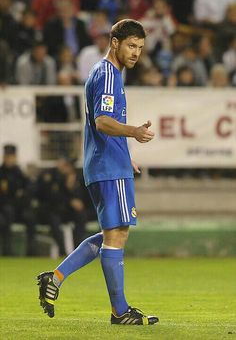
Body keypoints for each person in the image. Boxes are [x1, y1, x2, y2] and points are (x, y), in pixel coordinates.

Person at [37, 19, 158, 326]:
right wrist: (133, 133)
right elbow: (103, 121)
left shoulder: (107, 74)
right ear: (114, 42)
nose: (136, 53)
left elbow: (104, 123)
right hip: (107, 165)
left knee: (112, 233)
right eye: (131, 45)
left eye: (140, 48)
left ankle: (56, 276)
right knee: (118, 234)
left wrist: (125, 153)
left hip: (107, 162)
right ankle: (120, 312)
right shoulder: (107, 74)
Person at [0, 144, 36, 255]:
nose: (10, 159)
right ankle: (7, 250)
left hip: (19, 208)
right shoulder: (1, 172)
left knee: (30, 217)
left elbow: (29, 188)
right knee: (7, 215)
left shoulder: (19, 172)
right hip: (4, 208)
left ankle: (31, 251)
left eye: (12, 156)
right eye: (8, 156)